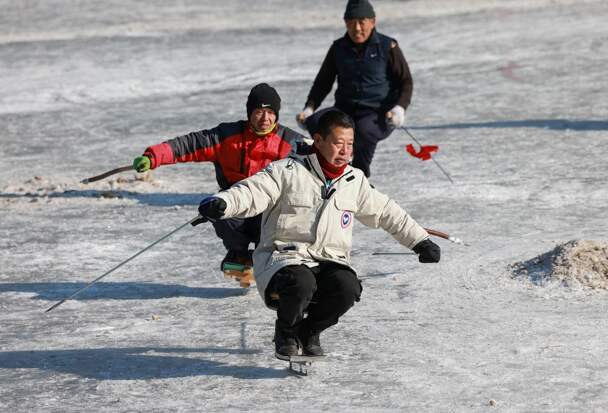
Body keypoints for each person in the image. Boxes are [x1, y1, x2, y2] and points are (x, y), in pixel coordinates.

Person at [198, 110, 440, 358]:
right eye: (338, 143)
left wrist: (419, 241)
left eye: (349, 144)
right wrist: (223, 203)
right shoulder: (287, 171)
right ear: (319, 140)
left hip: (329, 259)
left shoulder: (354, 180)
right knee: (301, 282)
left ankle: (309, 331)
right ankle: (287, 333)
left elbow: (387, 211)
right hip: (283, 258)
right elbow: (251, 192)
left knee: (348, 287)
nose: (345, 151)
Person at [132, 83, 309, 286]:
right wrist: (153, 157)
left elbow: (321, 160)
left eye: (270, 112)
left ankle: (276, 269)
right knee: (217, 206)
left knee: (283, 228)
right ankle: (239, 256)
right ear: (249, 112)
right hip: (237, 206)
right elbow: (190, 145)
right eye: (259, 112)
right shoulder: (227, 136)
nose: (264, 118)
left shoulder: (291, 143)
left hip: (271, 212)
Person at [296, 0, 413, 178]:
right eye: (351, 22)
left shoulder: (387, 46)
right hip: (345, 109)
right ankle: (329, 171)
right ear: (345, 23)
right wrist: (309, 107)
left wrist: (399, 109)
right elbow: (323, 82)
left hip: (378, 113)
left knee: (363, 130)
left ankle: (360, 177)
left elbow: (405, 82)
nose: (357, 28)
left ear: (373, 22)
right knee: (317, 122)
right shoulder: (338, 48)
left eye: (362, 22)